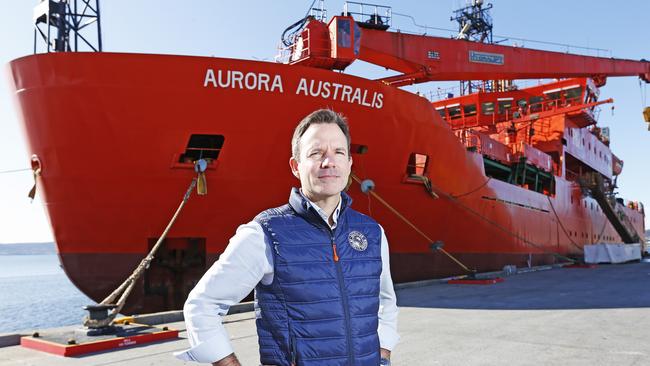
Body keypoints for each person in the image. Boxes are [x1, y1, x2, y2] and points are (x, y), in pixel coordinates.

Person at [175, 109, 399, 365]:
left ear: (349, 163)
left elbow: (385, 301)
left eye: (339, 152)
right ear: (296, 166)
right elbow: (202, 304)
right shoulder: (265, 233)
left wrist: (383, 354)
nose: (329, 162)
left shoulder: (372, 232)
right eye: (316, 153)